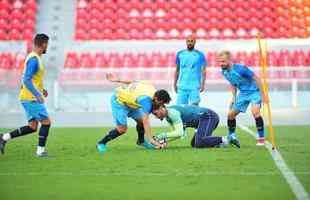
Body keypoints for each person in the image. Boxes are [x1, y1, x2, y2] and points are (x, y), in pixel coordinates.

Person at [0, 33, 51, 156]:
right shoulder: (34, 59)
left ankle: (4, 138)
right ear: (43, 44)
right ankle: (40, 151)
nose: (47, 47)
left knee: (32, 126)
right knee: (46, 122)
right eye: (47, 44)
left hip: (28, 96)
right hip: (31, 98)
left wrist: (42, 90)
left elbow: (33, 79)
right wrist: (37, 95)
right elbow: (27, 80)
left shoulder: (35, 57)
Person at [96, 73, 171, 153]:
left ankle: (141, 141)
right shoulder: (145, 101)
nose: (160, 105)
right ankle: (101, 143)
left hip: (131, 103)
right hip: (119, 103)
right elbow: (146, 121)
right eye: (160, 103)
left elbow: (133, 82)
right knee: (122, 129)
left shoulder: (150, 88)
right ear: (156, 98)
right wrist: (151, 140)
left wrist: (117, 80)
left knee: (140, 121)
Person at [218, 50, 268, 146]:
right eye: (219, 62)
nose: (221, 64)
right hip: (243, 94)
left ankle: (261, 137)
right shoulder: (224, 72)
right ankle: (231, 136)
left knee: (255, 112)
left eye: (223, 61)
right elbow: (233, 83)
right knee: (230, 115)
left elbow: (257, 78)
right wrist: (233, 97)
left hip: (254, 92)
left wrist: (263, 95)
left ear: (229, 60)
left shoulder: (241, 69)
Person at [152, 104, 240, 148]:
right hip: (204, 120)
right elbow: (179, 134)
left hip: (209, 116)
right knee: (194, 144)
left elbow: (179, 132)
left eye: (156, 114)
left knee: (199, 142)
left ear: (161, 108)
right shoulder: (169, 117)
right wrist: (165, 142)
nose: (156, 117)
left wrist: (160, 136)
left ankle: (227, 139)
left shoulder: (172, 114)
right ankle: (221, 143)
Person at [174, 34, 207, 105]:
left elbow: (203, 71)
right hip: (182, 85)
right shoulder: (180, 54)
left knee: (194, 107)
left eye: (192, 41)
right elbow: (177, 70)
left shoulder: (200, 55)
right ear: (186, 42)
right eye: (188, 41)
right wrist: (175, 84)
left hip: (194, 86)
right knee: (181, 108)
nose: (190, 43)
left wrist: (203, 84)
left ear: (195, 42)